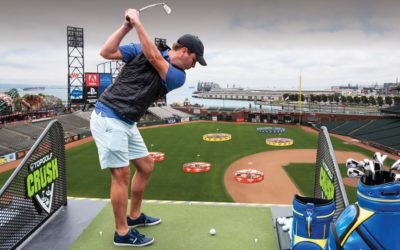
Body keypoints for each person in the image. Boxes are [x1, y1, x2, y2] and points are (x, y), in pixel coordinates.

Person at [90, 9, 206, 247]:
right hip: (109, 116)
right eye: (194, 60)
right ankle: (121, 232)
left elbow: (153, 57)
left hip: (127, 121)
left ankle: (134, 217)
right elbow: (106, 52)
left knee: (145, 165)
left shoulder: (178, 75)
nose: (194, 67)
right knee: (120, 175)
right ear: (184, 51)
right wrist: (127, 26)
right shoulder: (139, 49)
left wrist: (139, 23)